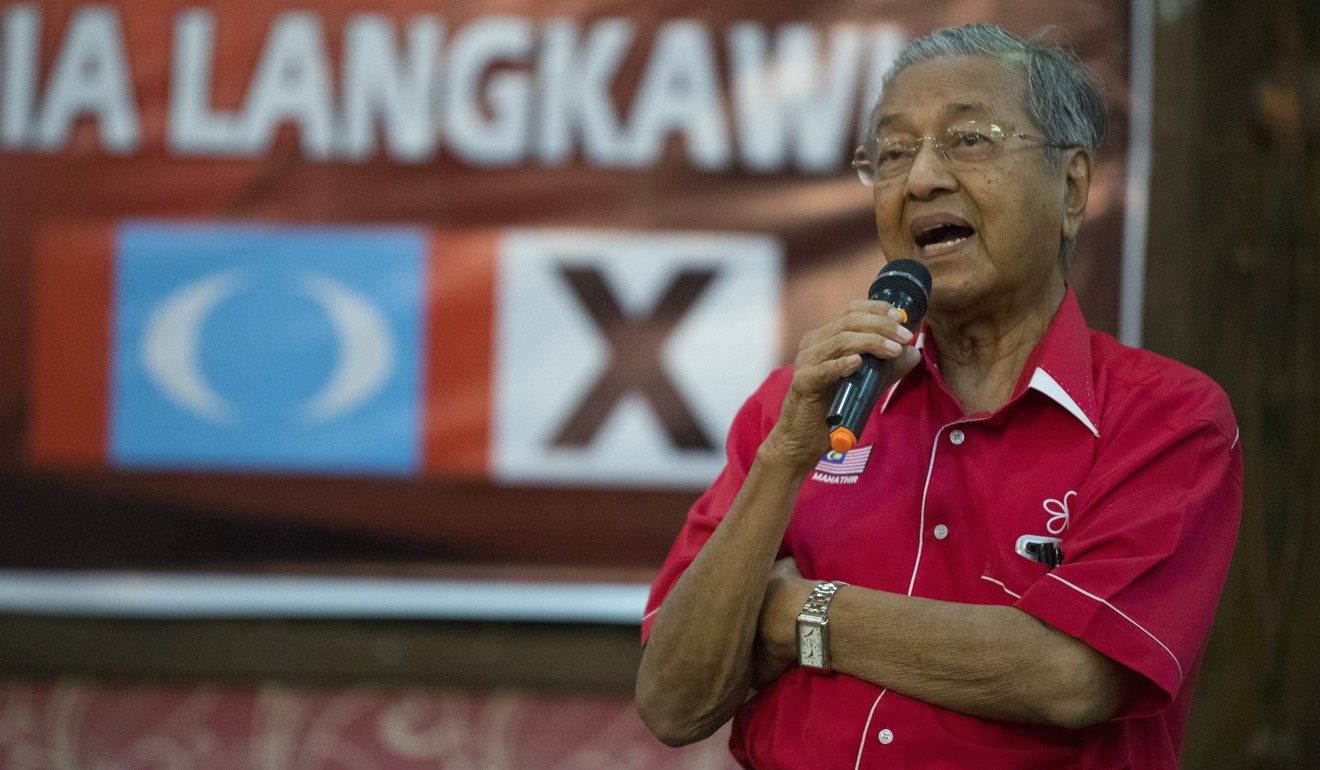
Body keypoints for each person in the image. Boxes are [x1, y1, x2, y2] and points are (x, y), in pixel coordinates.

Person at [634, 23, 1241, 769]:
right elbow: (672, 701)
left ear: (1073, 187)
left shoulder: (1167, 418)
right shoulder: (800, 406)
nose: (921, 178)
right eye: (891, 153)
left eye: (970, 140)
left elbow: (1070, 676)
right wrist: (788, 456)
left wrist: (795, 612)